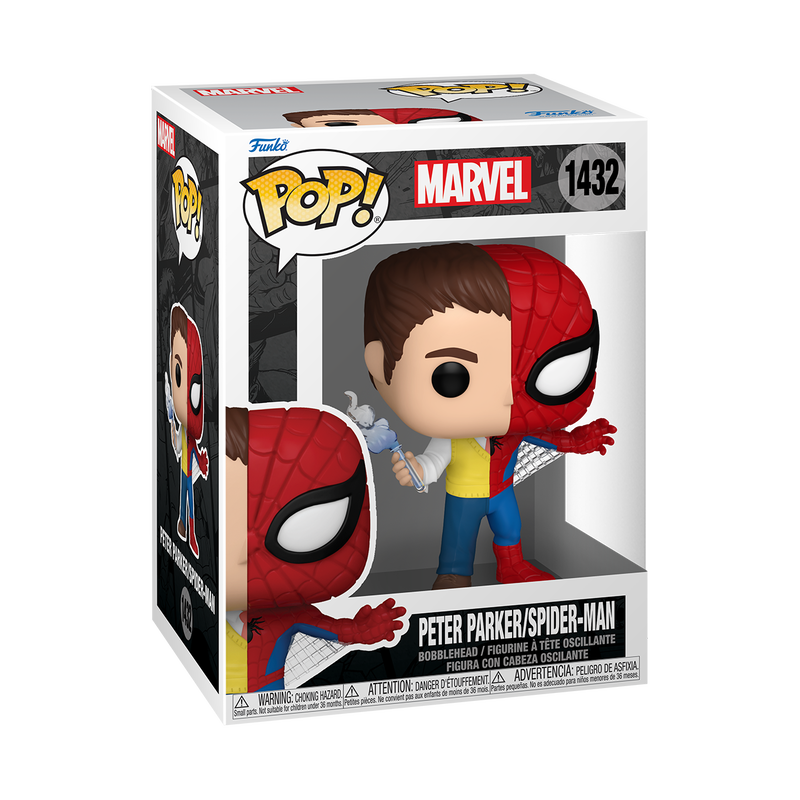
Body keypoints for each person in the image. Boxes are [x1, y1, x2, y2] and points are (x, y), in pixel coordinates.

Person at [363, 243, 616, 589]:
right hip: (463, 499)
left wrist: (578, 440)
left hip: (502, 494)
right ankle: (453, 575)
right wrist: (419, 471)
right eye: (452, 378)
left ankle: (511, 567)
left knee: (510, 530)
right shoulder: (452, 435)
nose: (505, 401)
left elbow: (549, 438)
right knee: (458, 541)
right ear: (380, 365)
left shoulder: (514, 429)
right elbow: (435, 460)